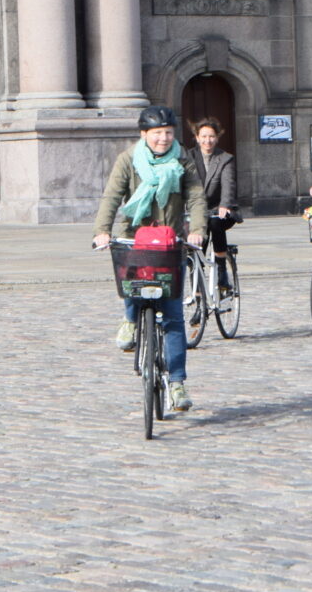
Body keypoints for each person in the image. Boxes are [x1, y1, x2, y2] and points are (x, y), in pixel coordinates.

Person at [92, 106, 208, 412]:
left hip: (170, 241)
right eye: (157, 133)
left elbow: (196, 196)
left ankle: (178, 383)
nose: (164, 138)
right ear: (145, 135)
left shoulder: (183, 159)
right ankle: (131, 319)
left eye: (169, 132)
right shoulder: (129, 159)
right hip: (136, 235)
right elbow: (112, 196)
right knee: (131, 284)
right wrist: (102, 231)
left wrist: (197, 230)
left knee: (172, 316)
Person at [188, 118, 238, 295]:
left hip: (217, 209)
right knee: (195, 243)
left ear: (217, 138)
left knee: (216, 224)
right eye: (203, 136)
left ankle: (222, 270)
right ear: (197, 137)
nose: (207, 140)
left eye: (211, 136)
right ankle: (198, 295)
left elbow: (228, 184)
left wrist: (225, 205)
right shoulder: (189, 157)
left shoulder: (225, 158)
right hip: (196, 210)